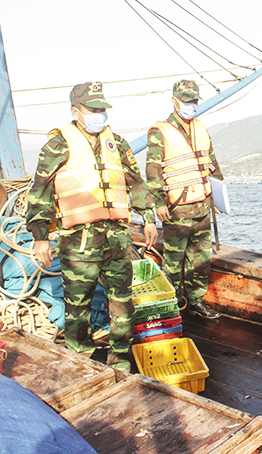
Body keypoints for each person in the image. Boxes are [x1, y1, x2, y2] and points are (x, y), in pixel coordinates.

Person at [27, 82, 158, 372]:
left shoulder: (118, 143)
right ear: (76, 111)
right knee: (77, 308)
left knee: (123, 304)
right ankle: (81, 362)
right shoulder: (57, 145)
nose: (100, 114)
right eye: (93, 109)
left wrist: (148, 217)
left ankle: (120, 364)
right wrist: (40, 238)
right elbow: (40, 192)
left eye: (102, 109)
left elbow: (135, 183)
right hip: (79, 242)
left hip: (118, 239)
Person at [146, 80, 224, 319]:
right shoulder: (159, 132)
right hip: (177, 209)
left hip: (202, 205)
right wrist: (158, 203)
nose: (191, 105)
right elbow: (152, 171)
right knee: (174, 261)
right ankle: (172, 304)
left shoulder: (201, 128)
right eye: (186, 100)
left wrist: (219, 197)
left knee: (201, 260)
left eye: (194, 100)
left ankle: (196, 301)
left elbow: (212, 164)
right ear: (175, 100)